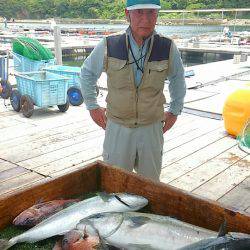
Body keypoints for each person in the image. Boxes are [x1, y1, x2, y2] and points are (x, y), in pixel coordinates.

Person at [80, 0, 186, 181]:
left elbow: (177, 79)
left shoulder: (167, 47)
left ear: (157, 15)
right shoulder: (109, 44)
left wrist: (175, 111)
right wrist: (92, 105)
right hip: (117, 125)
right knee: (115, 182)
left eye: (151, 13)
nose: (145, 19)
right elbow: (87, 73)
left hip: (152, 127)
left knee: (151, 184)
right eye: (139, 12)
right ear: (127, 14)